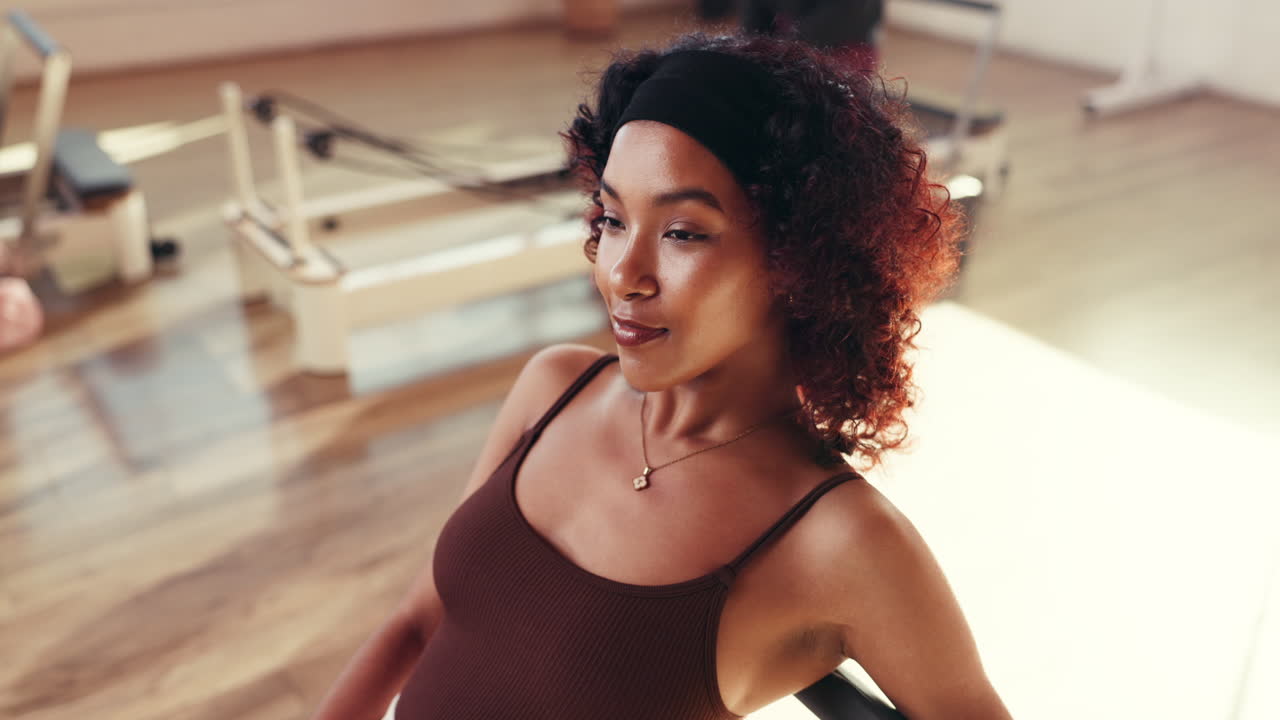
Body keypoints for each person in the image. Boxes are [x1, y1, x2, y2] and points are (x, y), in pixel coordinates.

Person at [308, 30, 1012, 720]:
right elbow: (417, 620)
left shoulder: (844, 541)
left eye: (682, 233)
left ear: (801, 260)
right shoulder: (555, 387)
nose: (622, 274)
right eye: (612, 218)